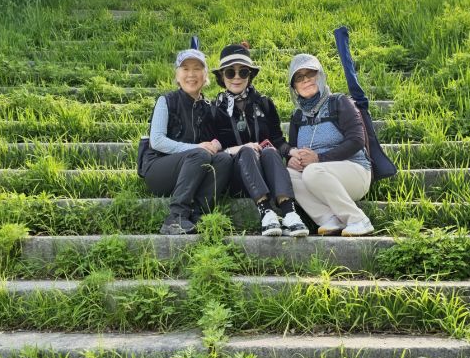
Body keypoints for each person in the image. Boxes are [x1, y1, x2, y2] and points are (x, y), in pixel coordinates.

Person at [211, 43, 308, 237]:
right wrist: (240, 148)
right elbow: (212, 151)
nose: (237, 77)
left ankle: (289, 213)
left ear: (250, 75)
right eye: (230, 72)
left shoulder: (264, 103)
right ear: (222, 76)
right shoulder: (213, 110)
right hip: (238, 176)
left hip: (268, 170)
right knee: (246, 151)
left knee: (270, 151)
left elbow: (277, 139)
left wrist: (291, 151)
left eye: (243, 72)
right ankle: (266, 211)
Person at [138, 49, 232, 235]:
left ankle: (198, 214)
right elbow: (157, 141)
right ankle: (176, 217)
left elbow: (220, 138)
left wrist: (216, 144)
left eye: (197, 69)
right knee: (200, 154)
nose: (191, 74)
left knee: (224, 160)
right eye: (185, 69)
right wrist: (197, 148)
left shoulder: (209, 108)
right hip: (159, 169)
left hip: (193, 171)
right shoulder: (167, 101)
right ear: (177, 75)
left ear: (205, 75)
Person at [284, 54, 374, 237]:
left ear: (321, 76)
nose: (306, 80)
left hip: (354, 172)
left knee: (312, 171)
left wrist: (319, 158)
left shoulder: (339, 102)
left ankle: (358, 219)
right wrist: (292, 159)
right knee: (286, 175)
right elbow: (293, 147)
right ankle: (329, 219)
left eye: (311, 74)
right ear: (294, 87)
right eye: (299, 77)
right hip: (317, 177)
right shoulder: (297, 116)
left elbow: (357, 140)